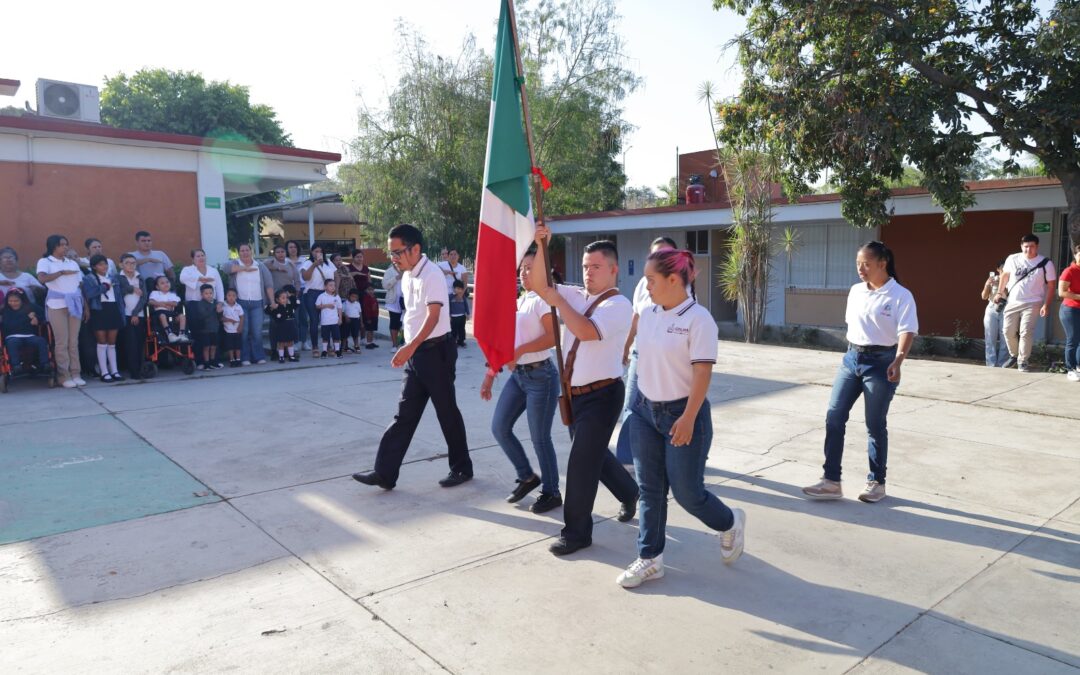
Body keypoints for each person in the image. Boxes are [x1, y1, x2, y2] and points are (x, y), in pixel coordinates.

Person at [617, 249, 745, 589]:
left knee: (688, 493)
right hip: (646, 412)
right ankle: (650, 559)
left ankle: (730, 522)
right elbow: (641, 358)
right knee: (650, 490)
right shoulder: (647, 312)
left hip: (683, 415)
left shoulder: (698, 319)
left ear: (674, 280)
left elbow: (702, 372)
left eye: (651, 280)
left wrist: (688, 418)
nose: (646, 286)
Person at [529, 224, 640, 556]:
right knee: (593, 457)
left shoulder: (618, 305)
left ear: (613, 269)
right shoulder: (579, 295)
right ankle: (631, 493)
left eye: (596, 267)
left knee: (580, 464)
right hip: (575, 395)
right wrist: (540, 244)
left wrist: (558, 302)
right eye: (585, 267)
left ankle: (576, 533)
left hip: (602, 396)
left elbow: (587, 331)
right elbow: (537, 284)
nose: (589, 273)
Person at [352, 223, 473, 490]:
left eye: (398, 252)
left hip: (437, 353)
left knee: (446, 412)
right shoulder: (406, 276)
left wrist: (410, 345)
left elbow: (433, 316)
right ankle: (384, 473)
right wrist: (407, 346)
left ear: (415, 249)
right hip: (417, 355)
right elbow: (413, 317)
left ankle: (462, 468)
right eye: (391, 253)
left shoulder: (432, 275)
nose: (393, 258)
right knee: (404, 415)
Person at [803, 241, 918, 504]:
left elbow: (906, 331)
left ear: (882, 263)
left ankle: (877, 482)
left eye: (866, 263)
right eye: (858, 263)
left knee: (874, 424)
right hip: (851, 358)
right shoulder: (855, 291)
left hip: (882, 362)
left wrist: (898, 360)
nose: (861, 269)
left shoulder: (900, 295)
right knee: (834, 417)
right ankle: (831, 481)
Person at [480, 250, 562, 513]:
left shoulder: (542, 300)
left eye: (530, 268)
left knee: (540, 437)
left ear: (542, 272)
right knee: (499, 427)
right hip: (519, 377)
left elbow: (552, 338)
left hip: (541, 376)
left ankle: (551, 492)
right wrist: (490, 375)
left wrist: (521, 351)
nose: (524, 273)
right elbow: (506, 344)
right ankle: (527, 476)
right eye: (522, 269)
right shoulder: (521, 300)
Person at [615, 236, 678, 465]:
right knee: (631, 406)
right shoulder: (644, 283)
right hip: (640, 354)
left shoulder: (683, 286)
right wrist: (625, 346)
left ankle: (671, 455)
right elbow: (636, 316)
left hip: (666, 360)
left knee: (666, 408)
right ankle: (627, 461)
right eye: (656, 255)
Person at [994, 234, 1057, 372]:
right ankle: (1014, 355)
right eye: (1026, 246)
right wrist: (999, 292)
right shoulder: (1012, 258)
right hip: (1013, 301)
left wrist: (1046, 305)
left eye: (1032, 246)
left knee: (1026, 331)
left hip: (1033, 302)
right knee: (1007, 331)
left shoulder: (1046, 263)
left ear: (1037, 247)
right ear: (1021, 246)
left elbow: (1052, 286)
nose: (1028, 249)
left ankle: (1023, 361)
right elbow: (1005, 276)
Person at [36, 235, 86, 388]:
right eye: (62, 245)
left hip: (75, 304)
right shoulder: (45, 262)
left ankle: (76, 373)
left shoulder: (72, 263)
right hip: (57, 305)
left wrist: (86, 307)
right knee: (61, 342)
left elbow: (80, 286)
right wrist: (61, 273)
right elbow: (42, 279)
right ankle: (64, 376)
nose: (65, 247)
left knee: (73, 341)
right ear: (53, 246)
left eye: (66, 244)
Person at [226, 243, 274, 366]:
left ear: (251, 251)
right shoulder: (234, 264)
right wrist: (245, 269)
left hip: (257, 302)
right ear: (238, 253)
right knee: (244, 331)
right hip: (240, 303)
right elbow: (225, 268)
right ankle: (245, 357)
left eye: (247, 250)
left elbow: (268, 285)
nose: (245, 252)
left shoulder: (260, 266)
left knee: (257, 331)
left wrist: (272, 301)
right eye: (242, 250)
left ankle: (258, 356)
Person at [82, 254, 125, 382]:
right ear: (94, 266)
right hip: (98, 310)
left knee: (112, 343)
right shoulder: (89, 278)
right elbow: (90, 293)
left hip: (113, 308)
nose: (104, 266)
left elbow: (119, 295)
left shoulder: (113, 277)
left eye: (105, 263)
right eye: (100, 264)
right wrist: (105, 287)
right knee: (102, 342)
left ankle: (115, 371)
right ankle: (104, 372)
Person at [179, 249, 225, 367]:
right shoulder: (188, 270)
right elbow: (182, 279)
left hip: (211, 304)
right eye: (198, 256)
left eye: (202, 255)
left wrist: (220, 302)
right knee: (198, 333)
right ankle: (200, 361)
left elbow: (219, 287)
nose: (201, 258)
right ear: (193, 259)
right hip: (194, 305)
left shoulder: (213, 271)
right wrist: (199, 279)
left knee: (214, 332)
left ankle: (215, 360)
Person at [299, 244, 338, 358]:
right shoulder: (307, 263)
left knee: (327, 320)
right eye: (316, 251)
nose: (318, 253)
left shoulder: (328, 263)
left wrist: (336, 289)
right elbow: (305, 277)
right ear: (311, 252)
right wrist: (314, 265)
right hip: (312, 293)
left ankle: (328, 346)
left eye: (320, 251)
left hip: (327, 293)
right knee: (314, 320)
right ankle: (315, 346)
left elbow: (336, 276)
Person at [1, 289, 50, 374]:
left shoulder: (32, 307)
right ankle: (16, 366)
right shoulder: (4, 310)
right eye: (10, 301)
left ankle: (45, 364)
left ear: (22, 300)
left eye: (16, 301)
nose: (13, 303)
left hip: (30, 335)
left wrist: (36, 319)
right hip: (12, 337)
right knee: (12, 343)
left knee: (41, 341)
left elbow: (43, 316)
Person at [117, 254, 148, 379]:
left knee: (140, 343)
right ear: (121, 265)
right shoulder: (118, 278)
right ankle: (133, 371)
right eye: (127, 263)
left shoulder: (140, 278)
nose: (131, 265)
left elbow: (144, 296)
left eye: (133, 263)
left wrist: (135, 313)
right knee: (130, 344)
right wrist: (132, 289)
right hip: (125, 315)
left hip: (138, 315)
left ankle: (141, 369)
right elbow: (118, 292)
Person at [980, 259, 1009, 367]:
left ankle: (1002, 364)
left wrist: (1003, 288)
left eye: (1006, 268)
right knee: (989, 337)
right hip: (992, 308)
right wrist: (988, 285)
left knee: (1005, 337)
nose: (1004, 270)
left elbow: (1010, 296)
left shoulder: (1011, 280)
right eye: (1002, 268)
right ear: (998, 269)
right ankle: (990, 364)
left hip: (1006, 309)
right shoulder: (993, 279)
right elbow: (983, 296)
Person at [1058, 243, 1080, 382]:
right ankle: (1070, 369)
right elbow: (1062, 292)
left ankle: (1078, 366)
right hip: (1070, 309)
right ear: (1075, 255)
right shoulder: (1069, 271)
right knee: (1073, 340)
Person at [190, 284, 224, 371]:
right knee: (206, 347)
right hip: (205, 329)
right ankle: (206, 363)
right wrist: (214, 308)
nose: (209, 295)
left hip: (214, 328)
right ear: (202, 295)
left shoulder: (215, 302)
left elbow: (219, 316)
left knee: (213, 346)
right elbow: (203, 315)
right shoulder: (201, 304)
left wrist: (220, 311)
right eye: (206, 293)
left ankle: (213, 362)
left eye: (210, 293)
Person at [147, 276, 188, 343]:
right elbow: (150, 302)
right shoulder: (155, 293)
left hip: (171, 314)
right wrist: (163, 305)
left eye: (167, 282)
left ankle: (182, 334)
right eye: (162, 283)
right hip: (159, 314)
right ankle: (170, 334)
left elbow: (175, 304)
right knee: (162, 315)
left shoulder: (172, 294)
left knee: (182, 316)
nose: (166, 284)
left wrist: (164, 303)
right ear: (157, 287)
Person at [285, 240, 309, 349]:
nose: (293, 249)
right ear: (287, 249)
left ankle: (304, 341)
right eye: (290, 247)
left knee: (303, 317)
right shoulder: (284, 261)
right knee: (294, 318)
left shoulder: (304, 260)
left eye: (294, 247)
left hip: (303, 290)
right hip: (290, 293)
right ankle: (296, 341)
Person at [267, 289, 299, 363]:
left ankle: (291, 356)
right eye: (283, 298)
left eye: (286, 297)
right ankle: (281, 357)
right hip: (281, 326)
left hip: (290, 325)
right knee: (281, 343)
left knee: (290, 342)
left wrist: (291, 296)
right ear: (277, 300)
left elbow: (297, 303)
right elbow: (267, 310)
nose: (285, 299)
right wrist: (272, 306)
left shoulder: (290, 306)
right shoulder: (277, 307)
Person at [316, 278, 344, 358]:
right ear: (325, 287)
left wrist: (340, 318)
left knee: (336, 337)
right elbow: (317, 306)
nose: (333, 287)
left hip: (334, 321)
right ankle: (324, 351)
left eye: (334, 285)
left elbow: (340, 308)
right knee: (325, 337)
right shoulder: (321, 296)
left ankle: (337, 351)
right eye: (330, 285)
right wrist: (326, 305)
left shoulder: (337, 296)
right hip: (325, 321)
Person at [382, 262, 403, 350]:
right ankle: (394, 345)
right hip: (393, 302)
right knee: (394, 323)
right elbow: (385, 285)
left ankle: (401, 343)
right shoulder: (389, 271)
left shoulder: (407, 269)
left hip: (406, 301)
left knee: (403, 324)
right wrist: (396, 278)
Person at [221, 288, 245, 367]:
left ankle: (238, 359)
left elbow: (241, 317)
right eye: (229, 295)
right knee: (230, 346)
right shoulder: (223, 306)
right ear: (226, 296)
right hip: (228, 330)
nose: (231, 297)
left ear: (236, 297)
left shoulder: (238, 306)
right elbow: (221, 318)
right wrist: (229, 320)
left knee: (238, 346)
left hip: (237, 330)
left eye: (233, 296)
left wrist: (240, 326)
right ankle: (232, 360)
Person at [448, 280, 470, 348]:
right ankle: (453, 342)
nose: (459, 290)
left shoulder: (463, 296)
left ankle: (461, 341)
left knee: (462, 329)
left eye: (460, 289)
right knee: (454, 330)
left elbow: (466, 305)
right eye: (457, 288)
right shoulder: (450, 297)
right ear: (454, 288)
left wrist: (468, 313)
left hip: (462, 316)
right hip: (453, 317)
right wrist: (449, 315)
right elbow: (448, 306)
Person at [343, 289, 363, 353]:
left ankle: (356, 346)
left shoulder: (357, 304)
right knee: (345, 334)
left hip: (356, 320)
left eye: (356, 297)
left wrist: (361, 322)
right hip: (347, 320)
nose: (354, 298)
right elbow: (342, 312)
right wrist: (346, 317)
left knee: (355, 334)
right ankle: (344, 346)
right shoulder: (345, 303)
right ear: (349, 296)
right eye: (352, 296)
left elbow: (360, 313)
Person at [362, 285, 380, 349]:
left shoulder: (374, 297)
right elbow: (366, 309)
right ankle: (368, 343)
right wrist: (368, 318)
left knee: (372, 330)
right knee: (369, 330)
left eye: (372, 290)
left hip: (374, 316)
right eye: (369, 290)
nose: (371, 291)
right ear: (366, 290)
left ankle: (371, 342)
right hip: (369, 317)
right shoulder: (366, 298)